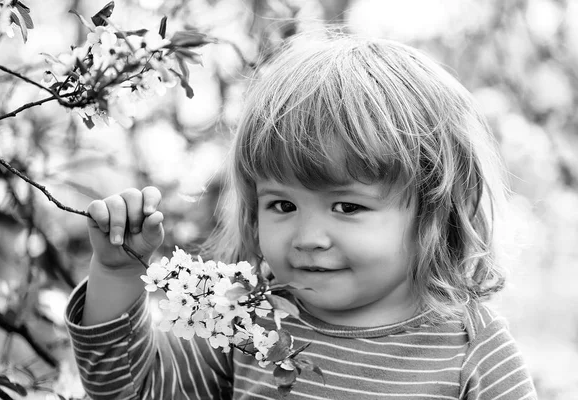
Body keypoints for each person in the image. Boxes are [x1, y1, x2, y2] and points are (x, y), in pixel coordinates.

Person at [65, 31, 538, 399]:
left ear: (434, 210)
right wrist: (116, 270)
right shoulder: (246, 319)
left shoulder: (470, 349)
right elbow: (130, 390)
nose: (308, 237)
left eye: (347, 206)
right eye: (283, 205)